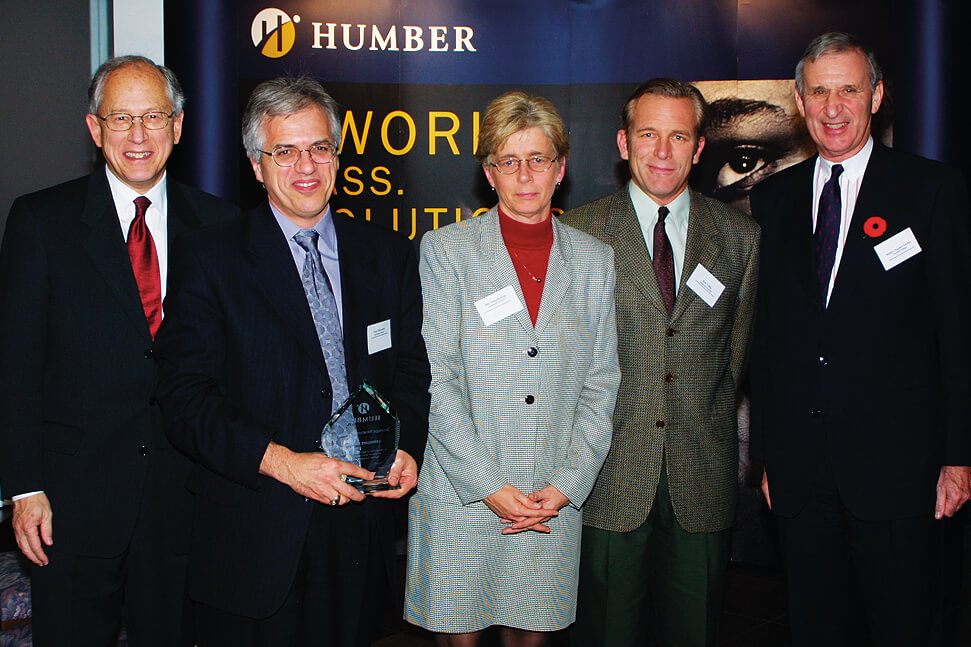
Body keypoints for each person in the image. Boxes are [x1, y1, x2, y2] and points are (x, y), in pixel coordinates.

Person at [153, 77, 430, 647]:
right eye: (285, 150)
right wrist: (283, 463)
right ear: (257, 165)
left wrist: (404, 445)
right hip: (256, 532)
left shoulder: (387, 253)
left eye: (319, 147)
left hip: (360, 529)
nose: (305, 165)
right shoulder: (211, 258)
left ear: (337, 157)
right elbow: (184, 398)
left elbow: (410, 371)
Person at [0, 55, 238, 646]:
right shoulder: (40, 222)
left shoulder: (221, 226)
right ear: (93, 128)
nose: (138, 135)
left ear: (179, 126)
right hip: (72, 503)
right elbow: (16, 366)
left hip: (184, 499)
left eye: (153, 116)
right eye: (121, 117)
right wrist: (24, 487)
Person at [749, 32, 971, 646]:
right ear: (799, 100)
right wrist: (767, 454)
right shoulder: (772, 199)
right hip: (801, 474)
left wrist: (959, 457)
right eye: (819, 91)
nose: (833, 106)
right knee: (814, 629)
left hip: (899, 470)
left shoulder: (930, 190)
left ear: (876, 96)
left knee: (903, 627)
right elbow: (768, 338)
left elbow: (957, 333)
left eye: (848, 89)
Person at [405, 91, 620, 647]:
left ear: (561, 167)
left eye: (539, 159)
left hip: (550, 498)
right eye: (509, 160)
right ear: (489, 172)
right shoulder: (447, 251)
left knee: (534, 638)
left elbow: (603, 384)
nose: (525, 175)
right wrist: (489, 486)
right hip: (461, 493)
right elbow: (438, 380)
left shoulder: (595, 261)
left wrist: (568, 485)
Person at [562, 78, 760, 647]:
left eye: (679, 136)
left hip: (702, 478)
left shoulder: (740, 239)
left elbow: (737, 359)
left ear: (700, 149)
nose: (664, 151)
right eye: (649, 134)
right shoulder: (578, 233)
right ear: (624, 143)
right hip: (605, 481)